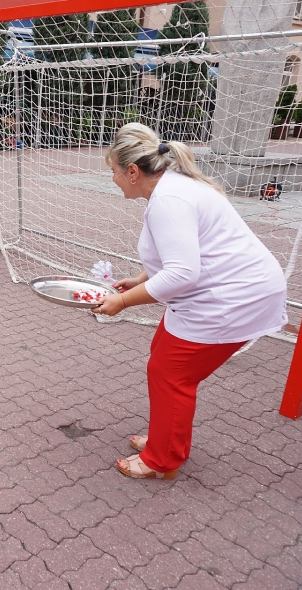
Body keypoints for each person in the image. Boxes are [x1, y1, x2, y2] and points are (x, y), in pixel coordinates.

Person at [93, 122, 287, 480]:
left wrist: (123, 302)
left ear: (133, 171)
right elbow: (181, 251)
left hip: (232, 299)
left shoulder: (169, 199)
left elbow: (182, 273)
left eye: (114, 171)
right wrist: (140, 280)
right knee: (163, 357)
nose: (113, 179)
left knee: (171, 374)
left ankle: (162, 459)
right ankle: (165, 438)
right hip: (220, 294)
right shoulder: (171, 188)